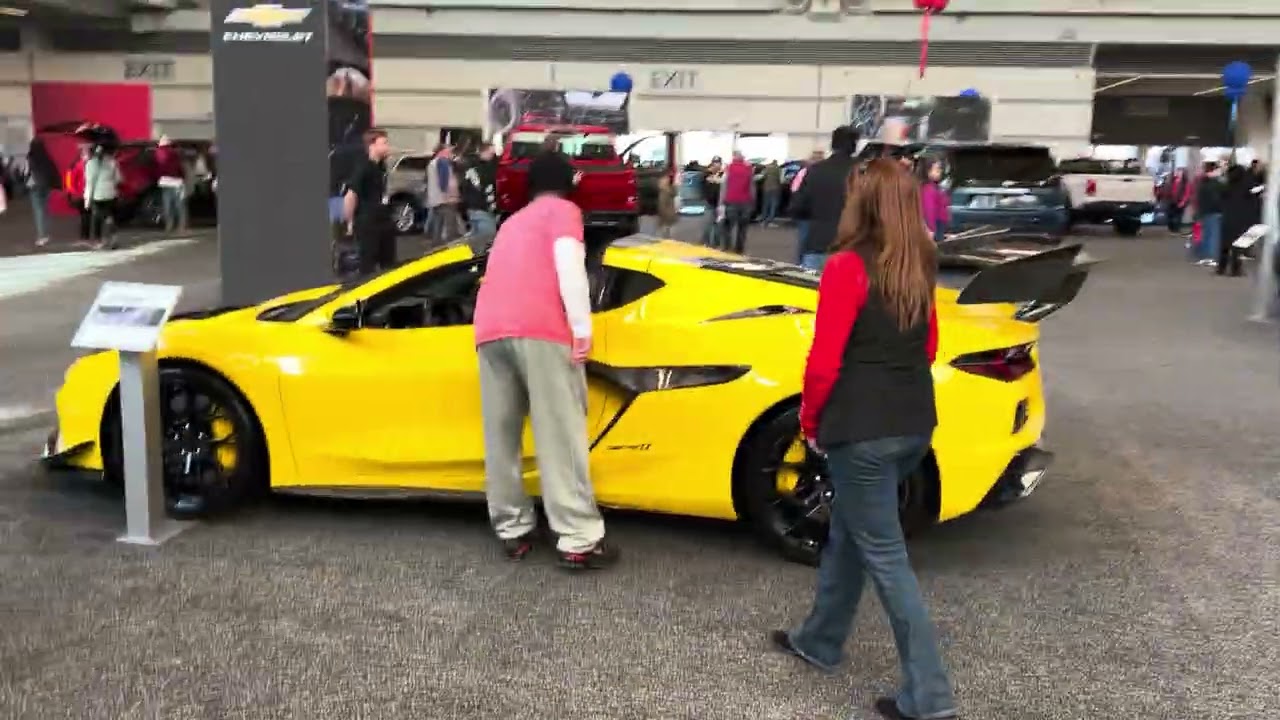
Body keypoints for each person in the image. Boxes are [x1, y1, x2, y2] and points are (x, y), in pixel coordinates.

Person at [770, 158, 954, 720]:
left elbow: (825, 359)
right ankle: (820, 640)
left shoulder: (847, 266)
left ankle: (930, 698)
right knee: (851, 534)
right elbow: (928, 347)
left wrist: (809, 421)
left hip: (861, 429)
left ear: (862, 202)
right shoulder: (921, 261)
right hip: (913, 424)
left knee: (885, 556)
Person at [472, 149, 618, 571]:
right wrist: (582, 328)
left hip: (490, 330)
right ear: (565, 183)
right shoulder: (563, 212)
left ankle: (512, 528)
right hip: (541, 328)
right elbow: (569, 267)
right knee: (560, 433)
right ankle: (578, 539)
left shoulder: (511, 222)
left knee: (501, 437)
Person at [790, 126, 860, 271]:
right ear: (854, 146)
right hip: (852, 246)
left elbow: (798, 206)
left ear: (832, 144)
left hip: (817, 244)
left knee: (812, 291)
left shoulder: (815, 170)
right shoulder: (862, 172)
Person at [341, 128, 396, 274]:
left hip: (383, 222)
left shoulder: (381, 166)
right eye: (384, 143)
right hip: (369, 225)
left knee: (389, 266)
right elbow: (350, 196)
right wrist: (350, 224)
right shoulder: (363, 167)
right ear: (372, 146)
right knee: (368, 268)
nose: (387, 146)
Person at [1219, 164, 1257, 277]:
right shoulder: (1248, 186)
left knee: (1224, 245)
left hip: (1227, 218)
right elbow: (1253, 202)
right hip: (1241, 219)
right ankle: (1235, 269)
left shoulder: (1226, 185)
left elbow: (1221, 199)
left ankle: (1221, 268)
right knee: (1238, 246)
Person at [83, 144, 121, 249]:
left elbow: (90, 183)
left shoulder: (90, 164)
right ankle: (113, 237)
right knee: (109, 215)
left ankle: (99, 241)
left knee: (97, 218)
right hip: (111, 193)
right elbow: (118, 179)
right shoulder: (112, 162)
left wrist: (87, 200)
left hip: (97, 195)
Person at [460, 142, 499, 243]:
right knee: (488, 237)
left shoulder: (471, 165)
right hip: (481, 208)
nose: (493, 156)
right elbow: (482, 184)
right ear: (484, 152)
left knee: (476, 238)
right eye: (491, 153)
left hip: (473, 208)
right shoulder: (480, 168)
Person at [26, 135, 58, 246]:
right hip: (46, 185)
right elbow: (52, 169)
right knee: (45, 209)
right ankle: (46, 234)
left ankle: (42, 236)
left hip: (35, 186)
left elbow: (28, 171)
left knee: (38, 212)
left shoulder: (31, 157)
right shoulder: (46, 156)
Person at [720, 151, 755, 253]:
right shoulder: (748, 169)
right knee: (742, 228)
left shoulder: (728, 168)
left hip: (730, 202)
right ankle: (739, 249)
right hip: (745, 203)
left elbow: (724, 187)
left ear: (734, 157)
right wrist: (753, 201)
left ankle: (727, 247)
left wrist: (721, 202)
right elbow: (752, 187)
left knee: (728, 226)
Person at [426, 144, 461, 244]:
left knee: (438, 224)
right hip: (445, 199)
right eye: (448, 151)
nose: (450, 153)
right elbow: (444, 181)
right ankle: (449, 246)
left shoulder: (432, 163)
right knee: (450, 225)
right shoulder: (443, 162)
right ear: (441, 152)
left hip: (435, 199)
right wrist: (448, 194)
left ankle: (436, 245)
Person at [154, 136, 187, 234]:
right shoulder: (175, 153)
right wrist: (182, 177)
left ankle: (169, 225)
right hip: (177, 182)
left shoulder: (157, 153)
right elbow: (180, 168)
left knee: (167, 205)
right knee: (179, 205)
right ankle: (182, 226)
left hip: (164, 182)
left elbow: (156, 168)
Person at [1193, 161, 1224, 267]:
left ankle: (1203, 256)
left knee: (1204, 235)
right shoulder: (1216, 183)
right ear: (1214, 170)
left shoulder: (1202, 182)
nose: (1220, 172)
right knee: (1213, 236)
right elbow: (1217, 199)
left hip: (1203, 212)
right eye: (1219, 169)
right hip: (1214, 212)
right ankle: (1212, 257)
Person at [918, 156, 950, 242]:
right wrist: (931, 230)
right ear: (928, 171)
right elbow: (929, 210)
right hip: (935, 225)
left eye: (940, 169)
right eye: (936, 169)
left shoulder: (936, 187)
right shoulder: (928, 189)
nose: (940, 171)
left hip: (940, 224)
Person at [700, 157, 724, 247]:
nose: (717, 165)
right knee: (708, 223)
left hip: (720, 203)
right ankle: (706, 242)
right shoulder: (706, 174)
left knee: (718, 224)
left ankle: (715, 244)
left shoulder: (722, 175)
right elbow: (705, 184)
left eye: (718, 163)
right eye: (715, 164)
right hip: (710, 202)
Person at [1162, 167, 1192, 233]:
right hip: (1171, 200)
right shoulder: (1173, 180)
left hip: (1180, 201)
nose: (1178, 173)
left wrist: (1183, 202)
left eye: (1180, 172)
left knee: (1178, 216)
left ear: (1183, 173)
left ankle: (1176, 229)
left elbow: (1187, 193)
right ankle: (1171, 228)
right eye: (1177, 171)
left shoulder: (1186, 183)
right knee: (1170, 215)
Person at [760, 160, 783, 226]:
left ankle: (763, 220)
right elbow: (781, 180)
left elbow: (762, 176)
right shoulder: (779, 169)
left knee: (765, 204)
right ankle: (770, 221)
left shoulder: (766, 168)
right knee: (773, 205)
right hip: (775, 189)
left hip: (766, 188)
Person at [656, 172, 678, 237]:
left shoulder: (667, 190)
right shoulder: (664, 190)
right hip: (667, 216)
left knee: (666, 233)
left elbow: (662, 205)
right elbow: (661, 206)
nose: (666, 180)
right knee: (665, 233)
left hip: (668, 216)